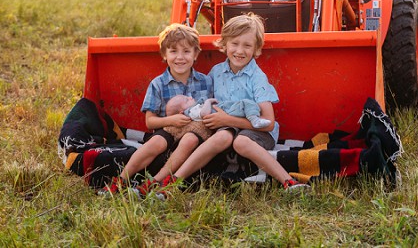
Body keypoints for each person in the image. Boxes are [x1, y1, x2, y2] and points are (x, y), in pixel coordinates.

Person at [157, 14, 309, 196]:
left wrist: (227, 119)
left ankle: (288, 181)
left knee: (241, 142)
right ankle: (172, 182)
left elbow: (268, 122)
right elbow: (207, 104)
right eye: (234, 44)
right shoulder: (217, 72)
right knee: (224, 137)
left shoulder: (257, 78)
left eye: (247, 45)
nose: (239, 50)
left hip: (257, 132)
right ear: (225, 44)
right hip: (226, 129)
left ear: (256, 49)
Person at [98, 23, 213, 197]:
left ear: (196, 54)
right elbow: (150, 121)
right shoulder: (158, 84)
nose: (180, 57)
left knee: (189, 139)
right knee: (155, 142)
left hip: (197, 130)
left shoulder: (206, 81)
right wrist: (171, 120)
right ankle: (121, 181)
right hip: (169, 127)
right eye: (173, 51)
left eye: (186, 51)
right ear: (164, 54)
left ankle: (155, 182)